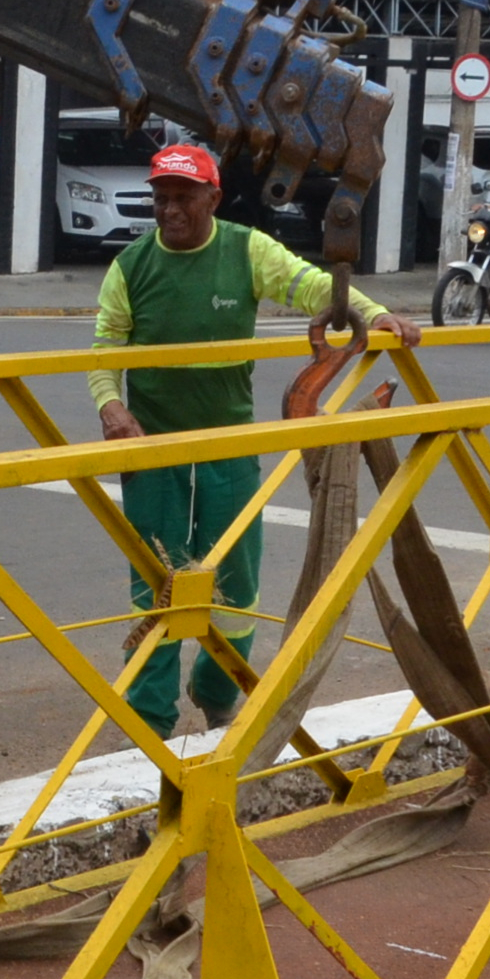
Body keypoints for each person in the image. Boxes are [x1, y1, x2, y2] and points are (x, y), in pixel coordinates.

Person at [89, 141, 411, 737]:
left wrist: (377, 312)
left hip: (230, 442)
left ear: (214, 197)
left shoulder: (246, 249)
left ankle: (218, 692)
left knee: (236, 580)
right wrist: (111, 407)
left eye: (184, 198)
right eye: (161, 199)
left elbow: (315, 288)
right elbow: (106, 345)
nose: (169, 210)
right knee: (154, 582)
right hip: (152, 447)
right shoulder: (131, 264)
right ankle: (149, 720)